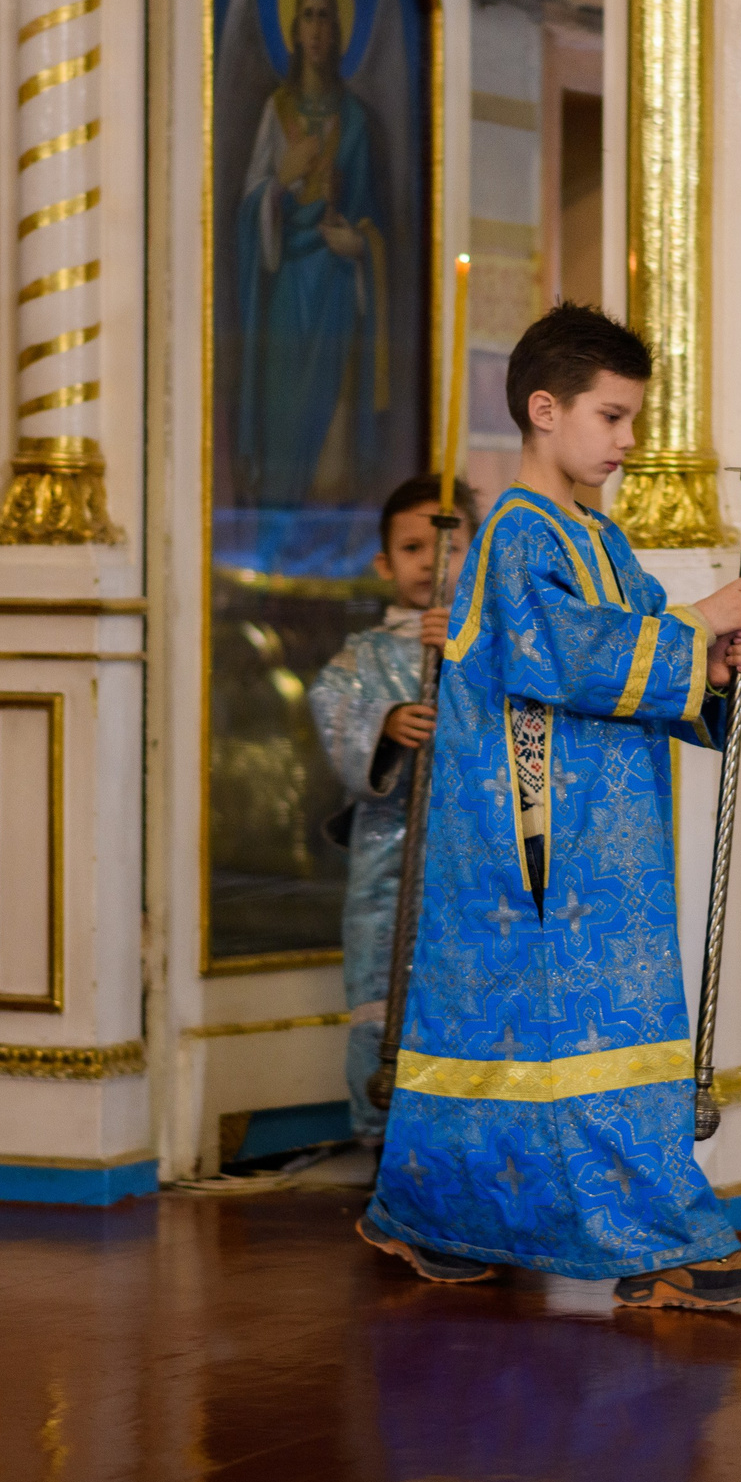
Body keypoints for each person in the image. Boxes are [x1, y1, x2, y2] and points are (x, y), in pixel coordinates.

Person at [358, 303, 741, 1310]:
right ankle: (661, 1248)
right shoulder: (517, 533)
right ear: (544, 411)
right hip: (530, 849)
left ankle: (436, 1217)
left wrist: (719, 667)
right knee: (556, 1044)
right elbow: (555, 654)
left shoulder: (600, 538)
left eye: (634, 419)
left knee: (578, 1044)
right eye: (611, 417)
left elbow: (647, 669)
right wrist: (695, 624)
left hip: (608, 847)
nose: (627, 442)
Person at [309, 473, 480, 1151]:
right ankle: (381, 1137)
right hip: (389, 854)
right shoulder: (365, 656)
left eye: (452, 549)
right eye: (413, 548)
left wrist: (468, 649)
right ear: (385, 563)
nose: (432, 564)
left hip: (469, 854)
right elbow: (332, 709)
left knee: (467, 986)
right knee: (383, 988)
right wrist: (383, 726)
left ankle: (460, 1136)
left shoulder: (486, 645)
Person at [234, 0, 388, 511]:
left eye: (326, 17)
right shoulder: (276, 114)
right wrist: (281, 182)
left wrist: (361, 246)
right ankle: (274, 549)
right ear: (293, 30)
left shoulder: (356, 121)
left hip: (337, 294)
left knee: (332, 437)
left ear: (339, 29)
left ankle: (323, 556)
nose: (317, 29)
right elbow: (250, 203)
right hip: (287, 292)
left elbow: (370, 219)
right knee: (284, 426)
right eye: (307, 17)